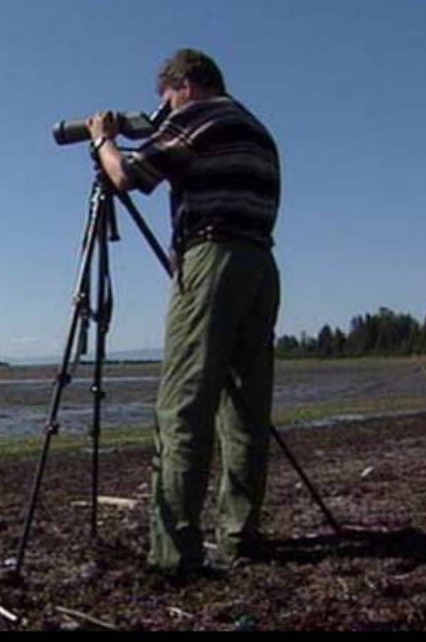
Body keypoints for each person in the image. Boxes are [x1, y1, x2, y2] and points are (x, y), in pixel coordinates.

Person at [85, 48, 282, 580]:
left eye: (166, 100)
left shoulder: (200, 116)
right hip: (260, 263)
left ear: (187, 86)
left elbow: (128, 175)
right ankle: (240, 536)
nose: (165, 111)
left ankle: (174, 551)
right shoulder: (255, 128)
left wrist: (103, 138)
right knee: (244, 409)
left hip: (213, 259)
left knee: (183, 407)